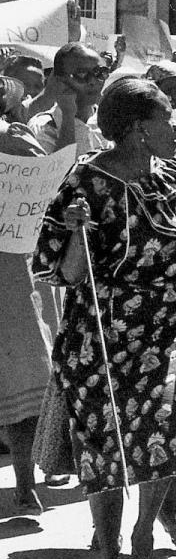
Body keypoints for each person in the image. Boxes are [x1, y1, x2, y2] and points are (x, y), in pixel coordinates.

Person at [34, 77, 176, 559]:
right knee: (105, 450)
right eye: (168, 120)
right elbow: (70, 274)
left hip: (167, 330)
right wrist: (77, 230)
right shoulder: (87, 183)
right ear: (141, 130)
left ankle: (145, 530)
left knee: (162, 439)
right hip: (101, 335)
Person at [0, 76, 75, 516]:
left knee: (25, 378)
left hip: (11, 274)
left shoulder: (14, 140)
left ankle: (25, 485)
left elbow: (53, 181)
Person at [27, 43, 108, 155]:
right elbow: (60, 170)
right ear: (59, 80)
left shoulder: (110, 120)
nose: (92, 81)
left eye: (99, 72)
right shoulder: (42, 126)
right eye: (82, 73)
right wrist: (68, 116)